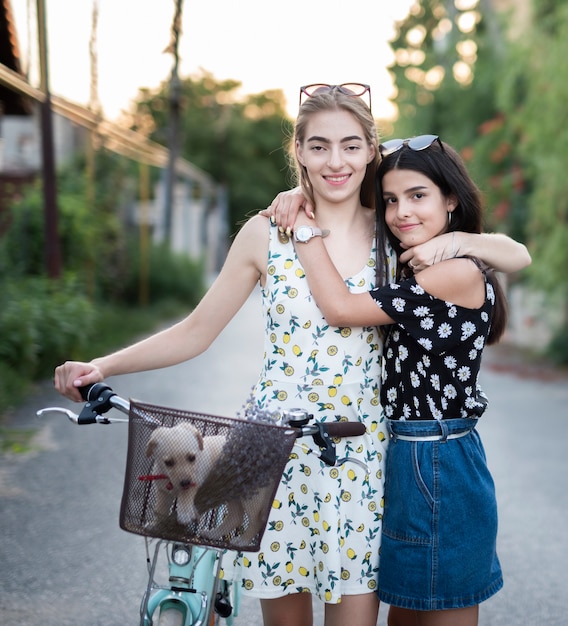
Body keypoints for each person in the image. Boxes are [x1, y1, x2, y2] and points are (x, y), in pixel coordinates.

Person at [55, 84, 527, 626]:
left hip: (361, 451)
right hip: (269, 446)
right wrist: (105, 366)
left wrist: (452, 243)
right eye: (319, 145)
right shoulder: (266, 232)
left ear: (372, 151)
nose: (336, 161)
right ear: (298, 151)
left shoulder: (395, 233)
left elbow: (510, 255)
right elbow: (196, 330)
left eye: (351, 146)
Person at [282, 133, 513, 626]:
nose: (401, 211)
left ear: (451, 199)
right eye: (390, 200)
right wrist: (298, 195)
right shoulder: (417, 265)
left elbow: (342, 309)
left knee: (437, 611)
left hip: (435, 459)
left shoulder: (453, 271)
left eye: (418, 196)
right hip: (418, 454)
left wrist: (304, 230)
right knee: (409, 616)